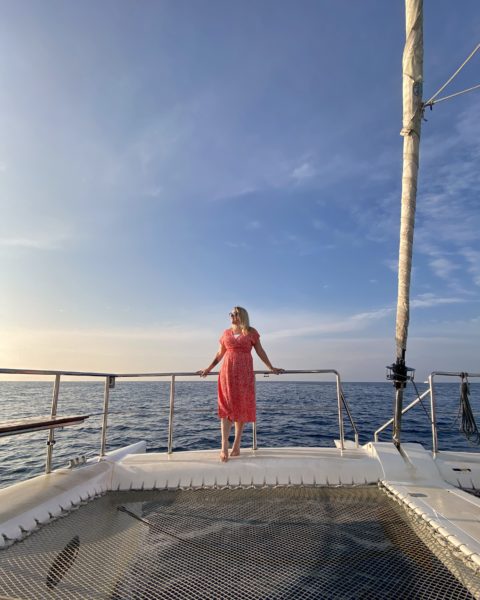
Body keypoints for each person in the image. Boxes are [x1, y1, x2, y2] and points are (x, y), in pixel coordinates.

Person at [199, 306, 283, 462]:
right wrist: (208, 368)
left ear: (242, 315)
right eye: (231, 313)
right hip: (227, 373)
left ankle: (237, 444)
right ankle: (224, 446)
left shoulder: (251, 332)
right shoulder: (225, 333)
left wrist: (270, 367)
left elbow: (260, 351)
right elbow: (219, 354)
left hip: (244, 374)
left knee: (241, 405)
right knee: (226, 407)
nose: (232, 316)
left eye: (235, 313)